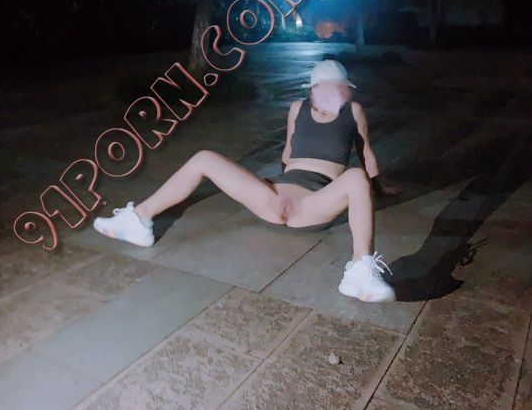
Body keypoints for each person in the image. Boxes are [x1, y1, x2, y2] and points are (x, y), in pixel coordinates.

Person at [93, 58, 399, 302]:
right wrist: (270, 184)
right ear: (314, 89)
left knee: (355, 175)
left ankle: (360, 271)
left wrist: (377, 188)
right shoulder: (297, 109)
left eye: (341, 89)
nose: (336, 94)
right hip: (274, 197)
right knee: (204, 157)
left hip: (315, 203)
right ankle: (139, 219)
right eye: (328, 89)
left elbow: (366, 154)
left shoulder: (354, 112)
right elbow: (288, 151)